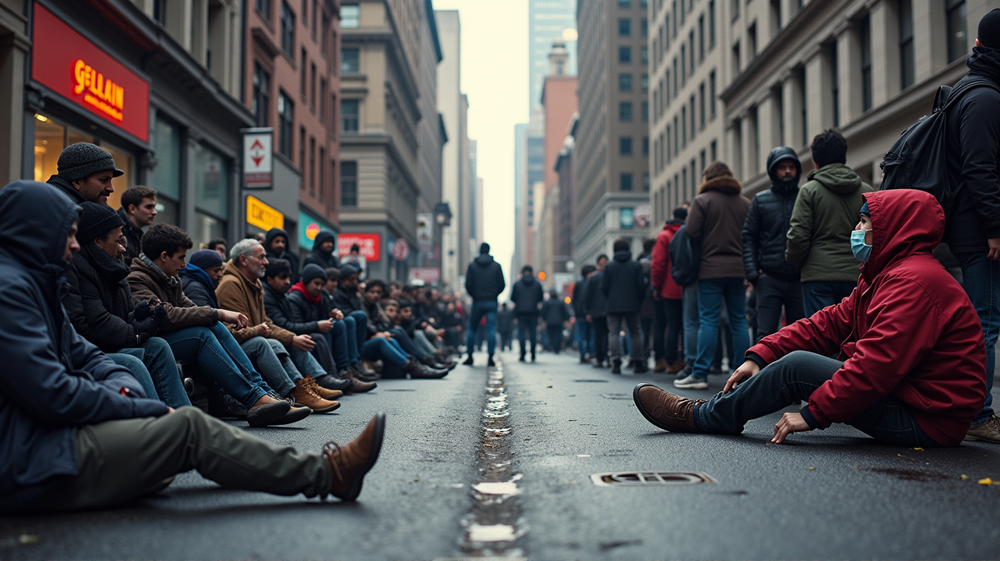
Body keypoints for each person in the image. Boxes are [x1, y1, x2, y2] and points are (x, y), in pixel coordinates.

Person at [0, 181, 387, 513]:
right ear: (36, 231)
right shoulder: (10, 290)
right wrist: (141, 406)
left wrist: (127, 393)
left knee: (207, 354)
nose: (74, 245)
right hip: (28, 460)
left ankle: (262, 398)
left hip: (43, 443)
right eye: (67, 234)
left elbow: (87, 355)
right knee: (187, 426)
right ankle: (326, 473)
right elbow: (52, 391)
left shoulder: (34, 284)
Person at [633, 190, 987, 448]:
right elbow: (828, 323)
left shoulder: (915, 282)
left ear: (893, 228)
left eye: (864, 221)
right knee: (801, 359)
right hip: (917, 405)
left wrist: (815, 414)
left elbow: (878, 364)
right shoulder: (890, 275)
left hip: (929, 422)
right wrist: (762, 355)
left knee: (799, 367)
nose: (857, 228)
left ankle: (703, 417)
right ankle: (715, 411)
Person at [129, 224, 307, 427]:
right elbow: (165, 316)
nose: (184, 264)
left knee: (215, 326)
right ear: (163, 256)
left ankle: (264, 394)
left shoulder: (170, 279)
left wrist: (215, 316)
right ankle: (254, 398)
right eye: (180, 257)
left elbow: (192, 309)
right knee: (201, 334)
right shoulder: (137, 279)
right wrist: (218, 313)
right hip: (152, 341)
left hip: (170, 338)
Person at [62, 202, 190, 408]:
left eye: (123, 240)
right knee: (132, 363)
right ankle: (159, 424)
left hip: (108, 343)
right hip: (90, 350)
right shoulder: (79, 268)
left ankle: (184, 416)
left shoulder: (116, 267)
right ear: (98, 242)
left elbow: (125, 312)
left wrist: (139, 315)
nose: (123, 247)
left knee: (158, 346)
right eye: (117, 241)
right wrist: (135, 332)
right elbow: (94, 321)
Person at [941, 9, 1000, 443]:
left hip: (974, 225)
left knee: (981, 318)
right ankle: (978, 414)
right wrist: (995, 226)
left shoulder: (972, 91)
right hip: (979, 230)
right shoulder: (984, 97)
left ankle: (972, 410)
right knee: (985, 320)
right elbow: (981, 170)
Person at [216, 239, 342, 413]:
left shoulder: (255, 283)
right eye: (261, 257)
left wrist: (292, 338)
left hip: (251, 340)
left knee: (293, 339)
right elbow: (232, 334)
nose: (266, 262)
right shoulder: (231, 284)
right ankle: (293, 392)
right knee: (267, 342)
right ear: (244, 260)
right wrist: (260, 331)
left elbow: (266, 323)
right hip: (233, 350)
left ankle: (312, 384)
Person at [786, 129, 874, 316]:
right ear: (844, 157)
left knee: (821, 335)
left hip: (817, 274)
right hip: (855, 274)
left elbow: (798, 235)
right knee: (853, 332)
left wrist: (796, 263)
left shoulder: (809, 191)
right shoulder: (866, 191)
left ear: (815, 161)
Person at [278, 262, 376, 393]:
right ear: (307, 282)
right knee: (321, 335)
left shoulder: (321, 296)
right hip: (306, 335)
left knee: (341, 324)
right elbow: (295, 327)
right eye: (316, 283)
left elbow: (330, 309)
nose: (319, 288)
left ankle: (345, 370)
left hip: (318, 330)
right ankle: (331, 374)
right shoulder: (295, 298)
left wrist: (334, 313)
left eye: (322, 285)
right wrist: (317, 325)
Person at [743, 147, 804, 342]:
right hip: (769, 278)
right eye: (782, 167)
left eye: (791, 167)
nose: (787, 171)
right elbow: (749, 237)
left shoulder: (805, 197)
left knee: (800, 334)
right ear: (773, 171)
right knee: (765, 335)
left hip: (799, 277)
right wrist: (753, 272)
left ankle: (797, 373)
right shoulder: (760, 201)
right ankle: (762, 373)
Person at [601, 239, 648, 374]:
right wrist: (638, 301)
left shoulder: (609, 266)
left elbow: (604, 287)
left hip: (613, 305)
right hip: (632, 304)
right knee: (635, 332)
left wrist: (610, 298)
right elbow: (641, 286)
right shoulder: (635, 265)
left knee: (613, 332)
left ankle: (616, 360)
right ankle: (638, 360)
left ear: (615, 250)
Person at [650, 208, 687, 373]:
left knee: (671, 325)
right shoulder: (690, 233)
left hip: (669, 287)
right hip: (688, 285)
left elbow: (658, 263)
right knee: (688, 325)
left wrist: (656, 286)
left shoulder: (664, 236)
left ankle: (670, 362)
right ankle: (685, 360)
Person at [463, 242, 506, 367]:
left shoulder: (472, 266)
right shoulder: (496, 266)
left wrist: (475, 295)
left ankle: (470, 355)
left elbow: (468, 285)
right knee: (491, 329)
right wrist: (494, 294)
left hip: (477, 301)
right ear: (489, 250)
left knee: (472, 328)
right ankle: (491, 357)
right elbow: (502, 284)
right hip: (491, 301)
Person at [46, 142, 121, 205]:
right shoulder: (63, 212)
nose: (111, 189)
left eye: (110, 181)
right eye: (104, 180)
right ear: (77, 182)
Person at [511, 265, 544, 362]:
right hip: (533, 312)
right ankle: (533, 354)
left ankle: (522, 354)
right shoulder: (537, 284)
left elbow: (513, 298)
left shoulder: (517, 284)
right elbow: (540, 298)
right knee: (533, 333)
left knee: (521, 334)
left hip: (521, 312)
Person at [117, 185, 157, 265]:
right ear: (132, 209)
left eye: (154, 207)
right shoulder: (116, 229)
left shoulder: (139, 235)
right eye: (149, 207)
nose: (154, 212)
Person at [585, 256, 610, 367]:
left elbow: (587, 296)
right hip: (600, 311)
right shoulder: (594, 278)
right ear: (598, 265)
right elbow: (588, 296)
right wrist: (588, 312)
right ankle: (602, 358)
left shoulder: (596, 277)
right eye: (602, 263)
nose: (604, 266)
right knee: (602, 336)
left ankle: (605, 358)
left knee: (605, 336)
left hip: (606, 311)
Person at [572, 266, 596, 362]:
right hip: (590, 313)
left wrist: (577, 312)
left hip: (580, 314)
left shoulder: (578, 283)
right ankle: (591, 353)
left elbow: (574, 300)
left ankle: (583, 354)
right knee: (591, 334)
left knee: (581, 335)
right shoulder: (593, 282)